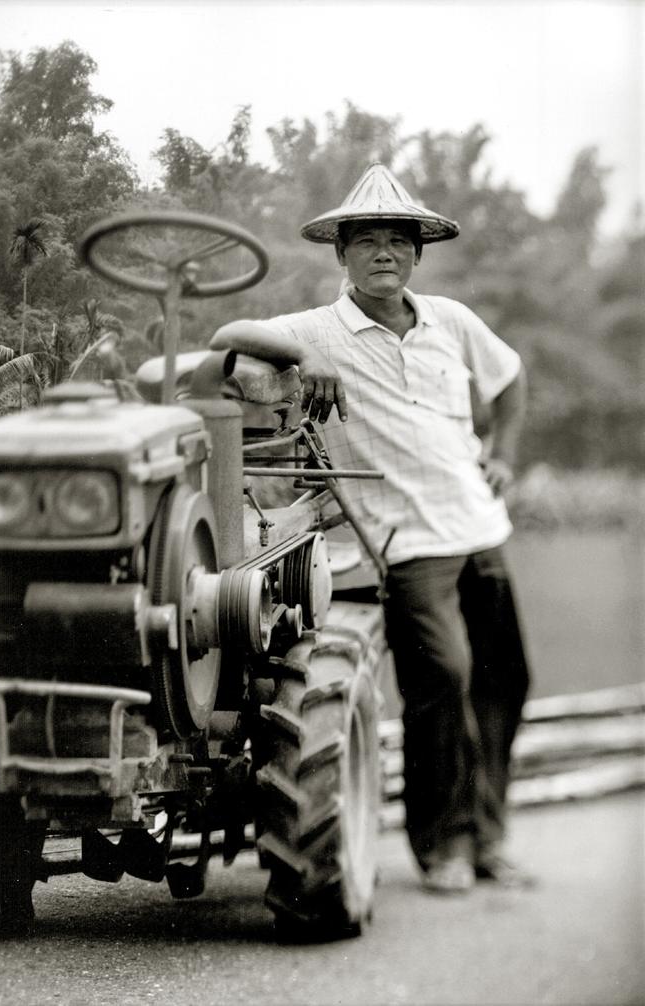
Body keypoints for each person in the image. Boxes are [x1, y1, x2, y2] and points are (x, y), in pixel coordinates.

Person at [211, 163, 533, 894]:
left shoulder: (451, 321)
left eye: (398, 241)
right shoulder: (312, 328)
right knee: (443, 681)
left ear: (418, 253)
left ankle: (487, 839)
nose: (384, 253)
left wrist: (506, 456)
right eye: (367, 242)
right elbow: (226, 339)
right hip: (403, 544)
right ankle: (442, 845)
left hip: (479, 524)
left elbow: (511, 381)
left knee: (505, 681)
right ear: (342, 255)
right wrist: (306, 357)